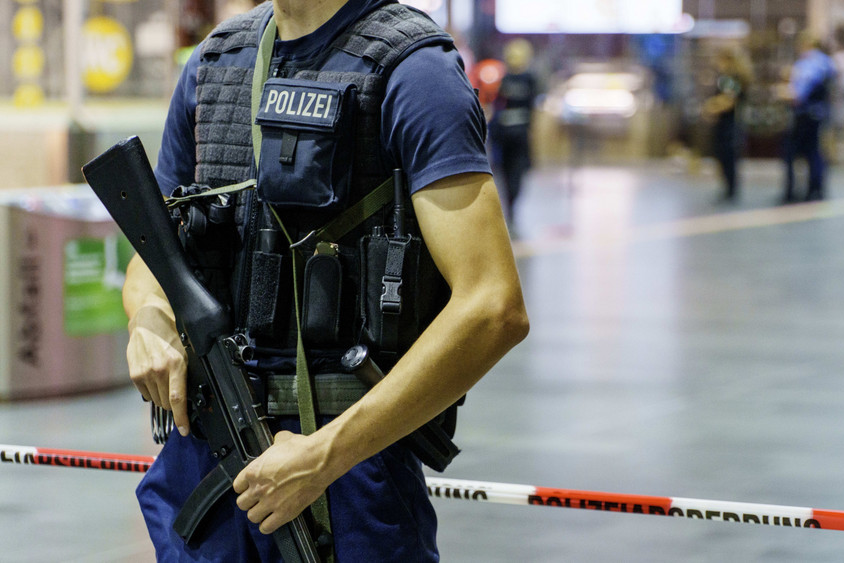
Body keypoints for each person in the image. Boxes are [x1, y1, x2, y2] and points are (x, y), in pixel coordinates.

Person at [121, 0, 530, 561]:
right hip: (209, 450)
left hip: (347, 471)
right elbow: (154, 253)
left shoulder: (412, 69)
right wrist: (148, 318)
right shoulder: (214, 62)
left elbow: (492, 307)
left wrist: (325, 456)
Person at [778, 32, 836, 203]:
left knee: (791, 153)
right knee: (815, 153)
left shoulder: (807, 64)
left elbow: (798, 95)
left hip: (804, 116)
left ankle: (791, 192)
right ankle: (815, 188)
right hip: (819, 114)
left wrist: (781, 93)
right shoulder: (827, 62)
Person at [490, 39, 538, 226]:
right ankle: (510, 207)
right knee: (510, 174)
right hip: (509, 136)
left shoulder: (525, 79)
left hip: (514, 135)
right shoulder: (504, 79)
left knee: (513, 174)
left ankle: (511, 207)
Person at [701, 45, 753, 203]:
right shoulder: (732, 78)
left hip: (730, 125)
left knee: (728, 157)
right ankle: (729, 188)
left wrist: (711, 107)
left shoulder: (731, 78)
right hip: (728, 124)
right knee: (726, 157)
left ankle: (730, 189)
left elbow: (728, 100)